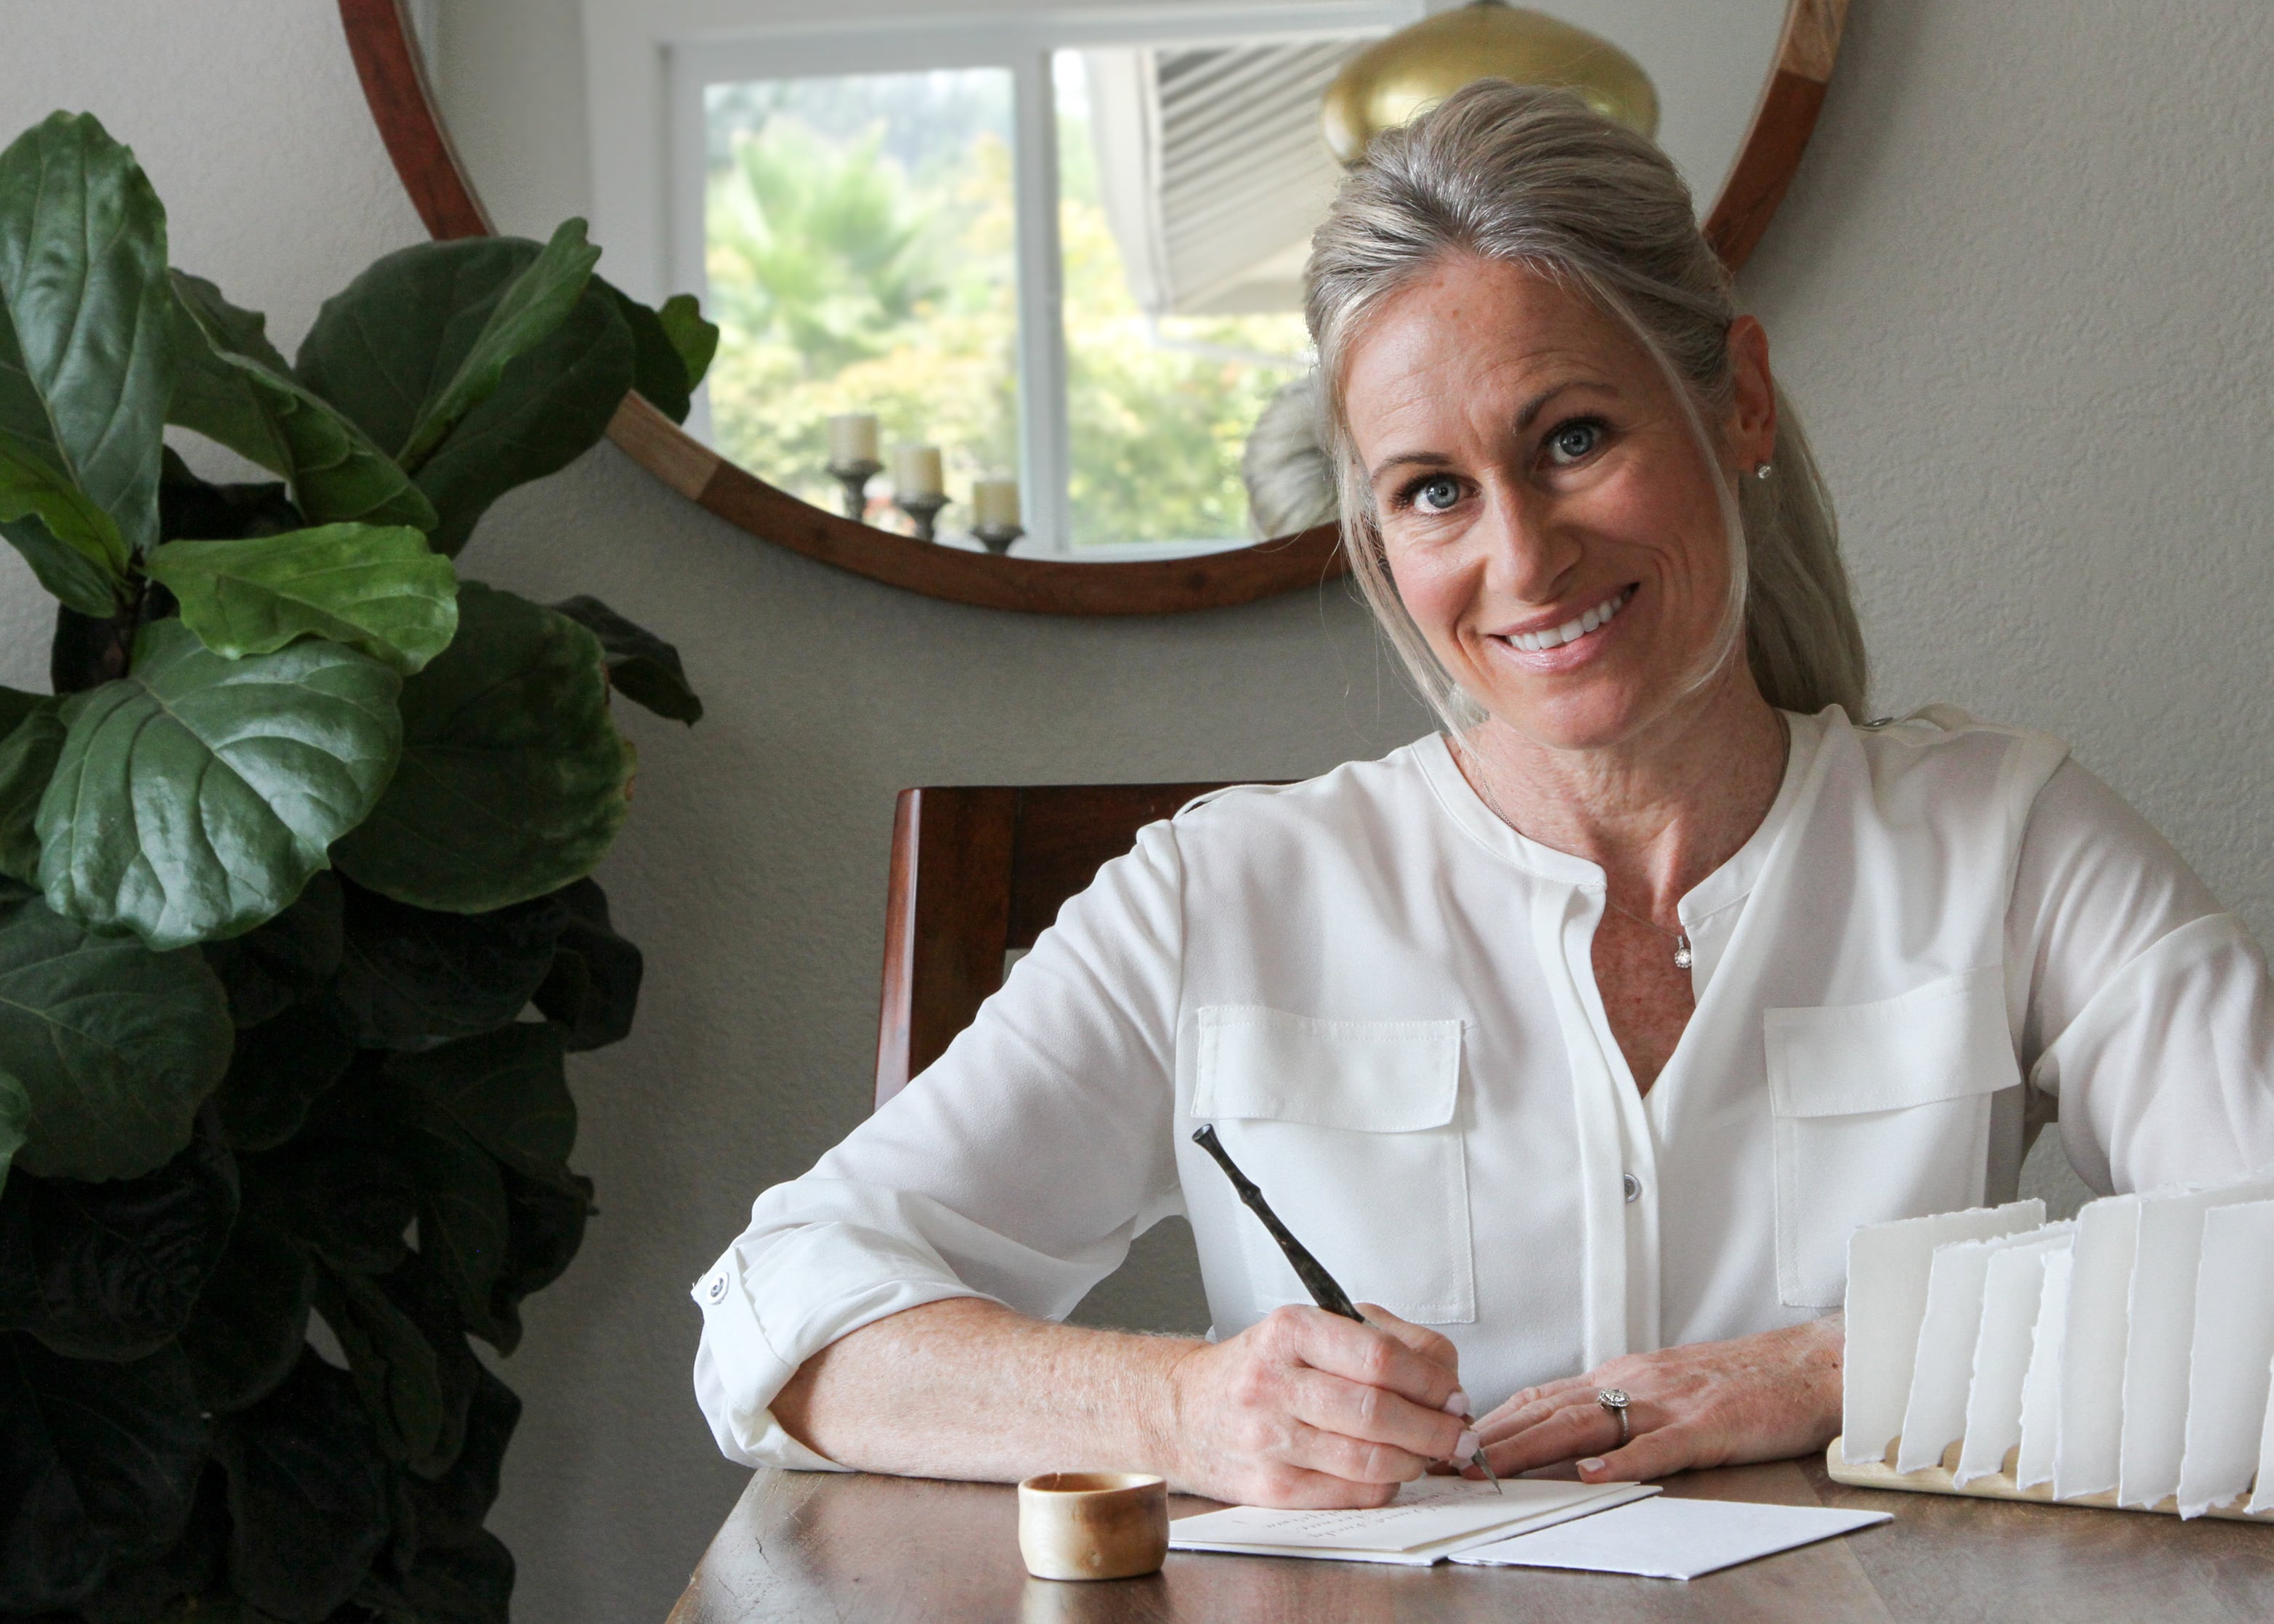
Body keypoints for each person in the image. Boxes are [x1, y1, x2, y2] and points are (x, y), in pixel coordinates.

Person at [691, 82, 2274, 1509]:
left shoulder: (2005, 841)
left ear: (1736, 400)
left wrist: (1840, 1365)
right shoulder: (1217, 897)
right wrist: (1183, 1406)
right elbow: (781, 1310)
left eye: (1572, 438)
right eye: (1434, 490)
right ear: (1380, 538)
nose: (1521, 560)